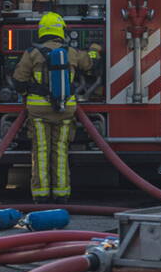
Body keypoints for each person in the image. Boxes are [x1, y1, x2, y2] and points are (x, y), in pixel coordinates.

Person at [12, 12, 99, 203]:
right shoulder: (71, 52)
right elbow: (91, 65)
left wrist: (29, 91)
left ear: (42, 31)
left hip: (38, 111)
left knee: (41, 150)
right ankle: (61, 194)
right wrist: (94, 49)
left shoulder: (32, 53)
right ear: (61, 30)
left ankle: (41, 195)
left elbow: (19, 80)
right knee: (60, 151)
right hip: (65, 110)